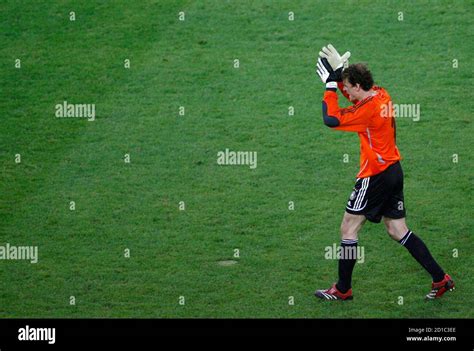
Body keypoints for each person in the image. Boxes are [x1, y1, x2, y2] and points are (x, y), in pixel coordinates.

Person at [313, 45, 455, 300]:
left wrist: (330, 86)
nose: (347, 90)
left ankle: (343, 289)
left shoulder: (367, 111)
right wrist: (341, 72)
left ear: (356, 85)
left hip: (374, 175)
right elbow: (358, 98)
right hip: (393, 170)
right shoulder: (380, 94)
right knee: (397, 229)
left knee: (348, 229)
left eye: (348, 86)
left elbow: (330, 119)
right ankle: (441, 279)